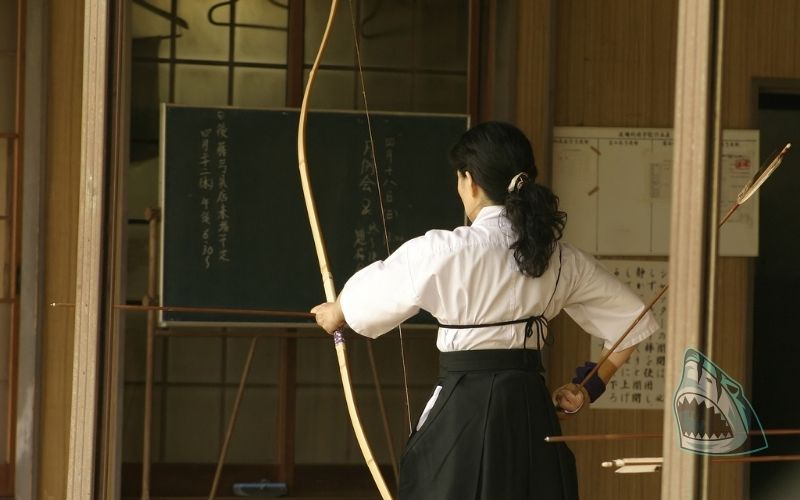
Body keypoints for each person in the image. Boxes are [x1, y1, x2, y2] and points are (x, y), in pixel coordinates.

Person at [311, 121, 659, 500]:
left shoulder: (444, 251)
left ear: (470, 181)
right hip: (530, 412)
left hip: (462, 412)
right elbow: (633, 321)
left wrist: (336, 312)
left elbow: (368, 297)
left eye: (459, 178)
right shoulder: (559, 258)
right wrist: (587, 385)